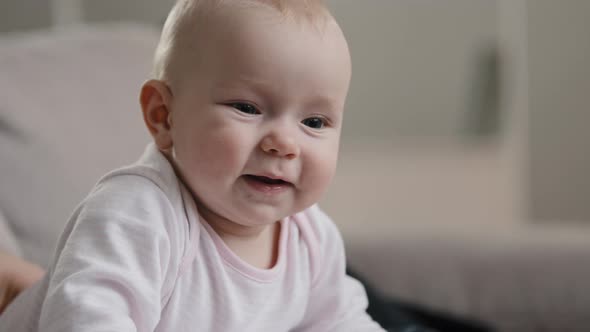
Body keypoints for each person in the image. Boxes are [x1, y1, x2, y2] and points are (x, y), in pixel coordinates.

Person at [0, 0, 387, 330]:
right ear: (164, 116)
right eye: (247, 108)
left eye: (314, 122)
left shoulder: (311, 238)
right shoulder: (137, 213)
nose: (285, 144)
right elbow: (88, 317)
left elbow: (342, 321)